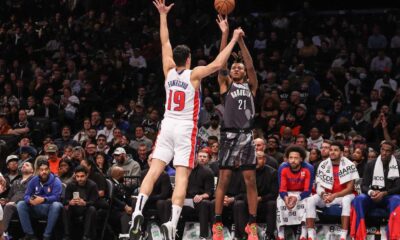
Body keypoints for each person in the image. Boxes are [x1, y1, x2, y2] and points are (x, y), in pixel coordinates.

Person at [129, 1, 243, 239]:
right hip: (185, 128)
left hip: (167, 125)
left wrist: (162, 15)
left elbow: (164, 41)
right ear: (189, 59)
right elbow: (219, 64)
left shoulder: (168, 69)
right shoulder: (194, 74)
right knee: (181, 176)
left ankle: (137, 211)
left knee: (152, 172)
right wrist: (231, 37)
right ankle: (172, 222)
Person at [213, 14, 259, 240]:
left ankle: (252, 224)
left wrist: (240, 40)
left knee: (250, 180)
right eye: (235, 67)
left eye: (239, 67)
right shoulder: (226, 85)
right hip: (229, 136)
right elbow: (220, 63)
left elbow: (251, 66)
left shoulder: (251, 87)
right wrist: (225, 35)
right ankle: (218, 223)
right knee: (224, 180)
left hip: (247, 136)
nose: (237, 68)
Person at [306, 142, 359, 240]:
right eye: (331, 150)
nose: (332, 152)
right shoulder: (323, 164)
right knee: (310, 200)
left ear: (342, 153)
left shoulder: (349, 165)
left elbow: (350, 189)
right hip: (327, 196)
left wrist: (334, 195)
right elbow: (319, 186)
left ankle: (343, 235)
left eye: (335, 150)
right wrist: (323, 194)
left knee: (346, 200)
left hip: (344, 195)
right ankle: (311, 235)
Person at [351, 141, 400, 240]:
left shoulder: (398, 165)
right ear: (380, 150)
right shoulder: (371, 164)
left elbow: (398, 187)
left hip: (388, 197)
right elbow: (363, 185)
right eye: (382, 150)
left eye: (388, 151)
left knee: (397, 199)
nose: (384, 153)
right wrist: (371, 192)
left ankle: (394, 236)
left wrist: (384, 193)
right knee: (359, 199)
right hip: (372, 196)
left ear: (392, 152)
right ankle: (358, 235)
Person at [233, 149, 278, 240]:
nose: (256, 161)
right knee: (239, 204)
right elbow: (241, 192)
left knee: (272, 203)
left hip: (264, 202)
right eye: (254, 158)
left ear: (264, 160)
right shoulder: (244, 172)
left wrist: (260, 198)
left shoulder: (272, 173)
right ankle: (243, 235)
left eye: (259, 158)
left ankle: (269, 235)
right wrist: (251, 199)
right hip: (248, 202)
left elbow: (274, 193)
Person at [16, 160, 63, 240]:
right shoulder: (34, 180)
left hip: (50, 208)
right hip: (36, 207)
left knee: (56, 205)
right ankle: (30, 235)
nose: (44, 172)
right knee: (21, 204)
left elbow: (57, 197)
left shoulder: (56, 180)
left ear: (49, 169)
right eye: (41, 169)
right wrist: (30, 200)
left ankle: (47, 235)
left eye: (46, 169)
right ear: (37, 170)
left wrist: (44, 199)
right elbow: (26, 195)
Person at [276, 145, 314, 240]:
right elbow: (282, 188)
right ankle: (280, 234)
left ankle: (303, 234)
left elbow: (307, 190)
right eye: (291, 158)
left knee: (308, 202)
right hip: (288, 192)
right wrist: (285, 198)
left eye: (296, 158)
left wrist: (297, 198)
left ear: (301, 159)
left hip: (302, 193)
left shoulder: (309, 168)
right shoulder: (283, 167)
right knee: (279, 201)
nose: (293, 160)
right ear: (287, 159)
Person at [63, 166, 98, 240]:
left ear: (87, 175)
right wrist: (70, 202)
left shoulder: (92, 185)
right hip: (74, 209)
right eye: (77, 176)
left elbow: (95, 202)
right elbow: (64, 200)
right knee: (65, 208)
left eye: (82, 176)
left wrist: (85, 203)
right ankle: (67, 235)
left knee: (92, 209)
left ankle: (86, 236)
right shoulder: (71, 185)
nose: (80, 179)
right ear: (75, 176)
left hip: (86, 209)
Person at [1, 162, 34, 239]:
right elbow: (9, 197)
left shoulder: (34, 181)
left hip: (26, 205)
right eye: (23, 165)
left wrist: (15, 202)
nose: (24, 166)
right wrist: (4, 200)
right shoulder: (16, 182)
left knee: (9, 207)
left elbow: (32, 196)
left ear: (32, 170)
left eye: (27, 165)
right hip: (11, 206)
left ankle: (1, 234)